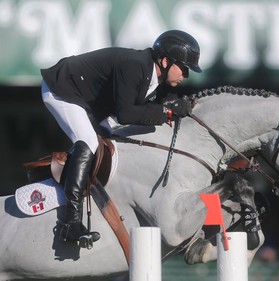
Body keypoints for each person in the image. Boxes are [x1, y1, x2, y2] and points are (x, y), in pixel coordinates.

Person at [40, 30, 202, 247]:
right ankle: (70, 222)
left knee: (114, 138)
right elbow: (126, 114)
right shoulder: (135, 65)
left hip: (88, 101)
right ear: (164, 61)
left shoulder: (155, 78)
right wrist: (168, 112)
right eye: (184, 68)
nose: (186, 75)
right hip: (62, 90)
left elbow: (135, 113)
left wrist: (173, 107)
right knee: (87, 141)